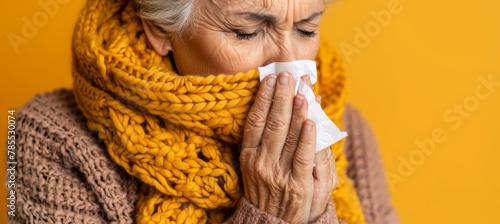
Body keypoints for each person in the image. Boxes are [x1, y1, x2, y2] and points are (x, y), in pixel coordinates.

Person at [10, 0, 399, 223]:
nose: (289, 62)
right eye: (246, 32)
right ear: (160, 30)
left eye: (307, 30)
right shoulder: (51, 140)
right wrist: (269, 214)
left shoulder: (346, 128)